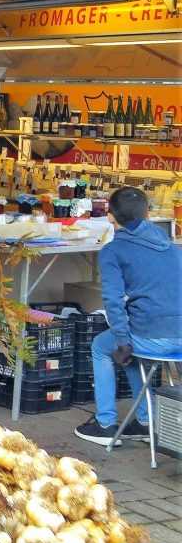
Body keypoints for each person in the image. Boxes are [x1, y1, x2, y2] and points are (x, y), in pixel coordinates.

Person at [75, 187, 182, 446]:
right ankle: (145, 421)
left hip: (152, 337)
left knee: (103, 347)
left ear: (111, 216)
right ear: (148, 214)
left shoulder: (113, 251)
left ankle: (106, 423)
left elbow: (112, 301)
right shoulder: (172, 246)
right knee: (131, 346)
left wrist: (122, 340)